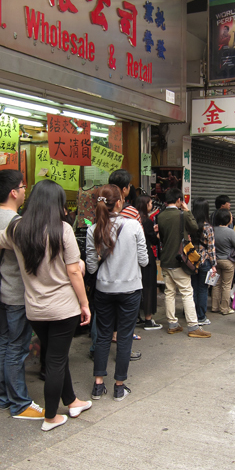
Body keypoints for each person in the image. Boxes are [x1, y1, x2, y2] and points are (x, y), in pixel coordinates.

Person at [0, 180, 92, 432]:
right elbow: (74, 271)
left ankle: (72, 401)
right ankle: (51, 417)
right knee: (56, 360)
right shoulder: (62, 229)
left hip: (35, 310)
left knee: (55, 356)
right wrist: (84, 303)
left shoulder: (17, 228)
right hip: (63, 309)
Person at [0, 170, 44, 420]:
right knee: (17, 348)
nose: (24, 191)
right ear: (13, 192)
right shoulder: (16, 222)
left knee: (4, 342)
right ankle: (19, 403)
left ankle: (3, 397)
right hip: (16, 292)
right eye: (22, 187)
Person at [86, 185, 149, 402]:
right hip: (130, 289)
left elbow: (91, 268)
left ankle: (98, 385)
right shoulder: (133, 225)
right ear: (120, 202)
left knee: (103, 335)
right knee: (124, 336)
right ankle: (119, 387)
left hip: (104, 290)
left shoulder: (93, 229)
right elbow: (144, 260)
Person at [157, 188, 211, 338]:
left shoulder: (160, 216)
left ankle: (172, 324)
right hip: (179, 260)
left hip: (165, 259)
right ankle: (193, 326)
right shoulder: (182, 214)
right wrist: (187, 210)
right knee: (187, 292)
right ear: (179, 200)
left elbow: (163, 237)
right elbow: (194, 228)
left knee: (169, 292)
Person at [108, 168, 143, 355]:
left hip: (105, 276)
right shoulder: (131, 212)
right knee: (125, 317)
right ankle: (124, 352)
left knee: (105, 319)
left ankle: (98, 349)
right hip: (127, 275)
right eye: (129, 186)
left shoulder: (101, 208)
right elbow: (140, 247)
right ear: (124, 190)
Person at [135, 195, 162, 330]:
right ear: (145, 205)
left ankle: (137, 317)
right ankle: (148, 319)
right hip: (147, 255)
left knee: (137, 287)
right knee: (149, 287)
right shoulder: (147, 221)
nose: (152, 205)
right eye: (150, 203)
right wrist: (157, 234)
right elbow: (153, 240)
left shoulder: (134, 220)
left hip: (135, 257)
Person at [190, 198, 216, 326]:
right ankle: (201, 317)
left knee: (193, 288)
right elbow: (211, 248)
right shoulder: (208, 227)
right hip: (204, 261)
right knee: (203, 289)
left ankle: (192, 314)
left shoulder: (190, 225)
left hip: (191, 261)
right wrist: (214, 265)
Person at [212, 209, 235, 315]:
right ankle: (225, 308)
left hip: (215, 261)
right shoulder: (230, 232)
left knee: (216, 284)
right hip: (228, 261)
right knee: (226, 285)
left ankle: (215, 306)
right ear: (227, 219)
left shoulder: (213, 230)